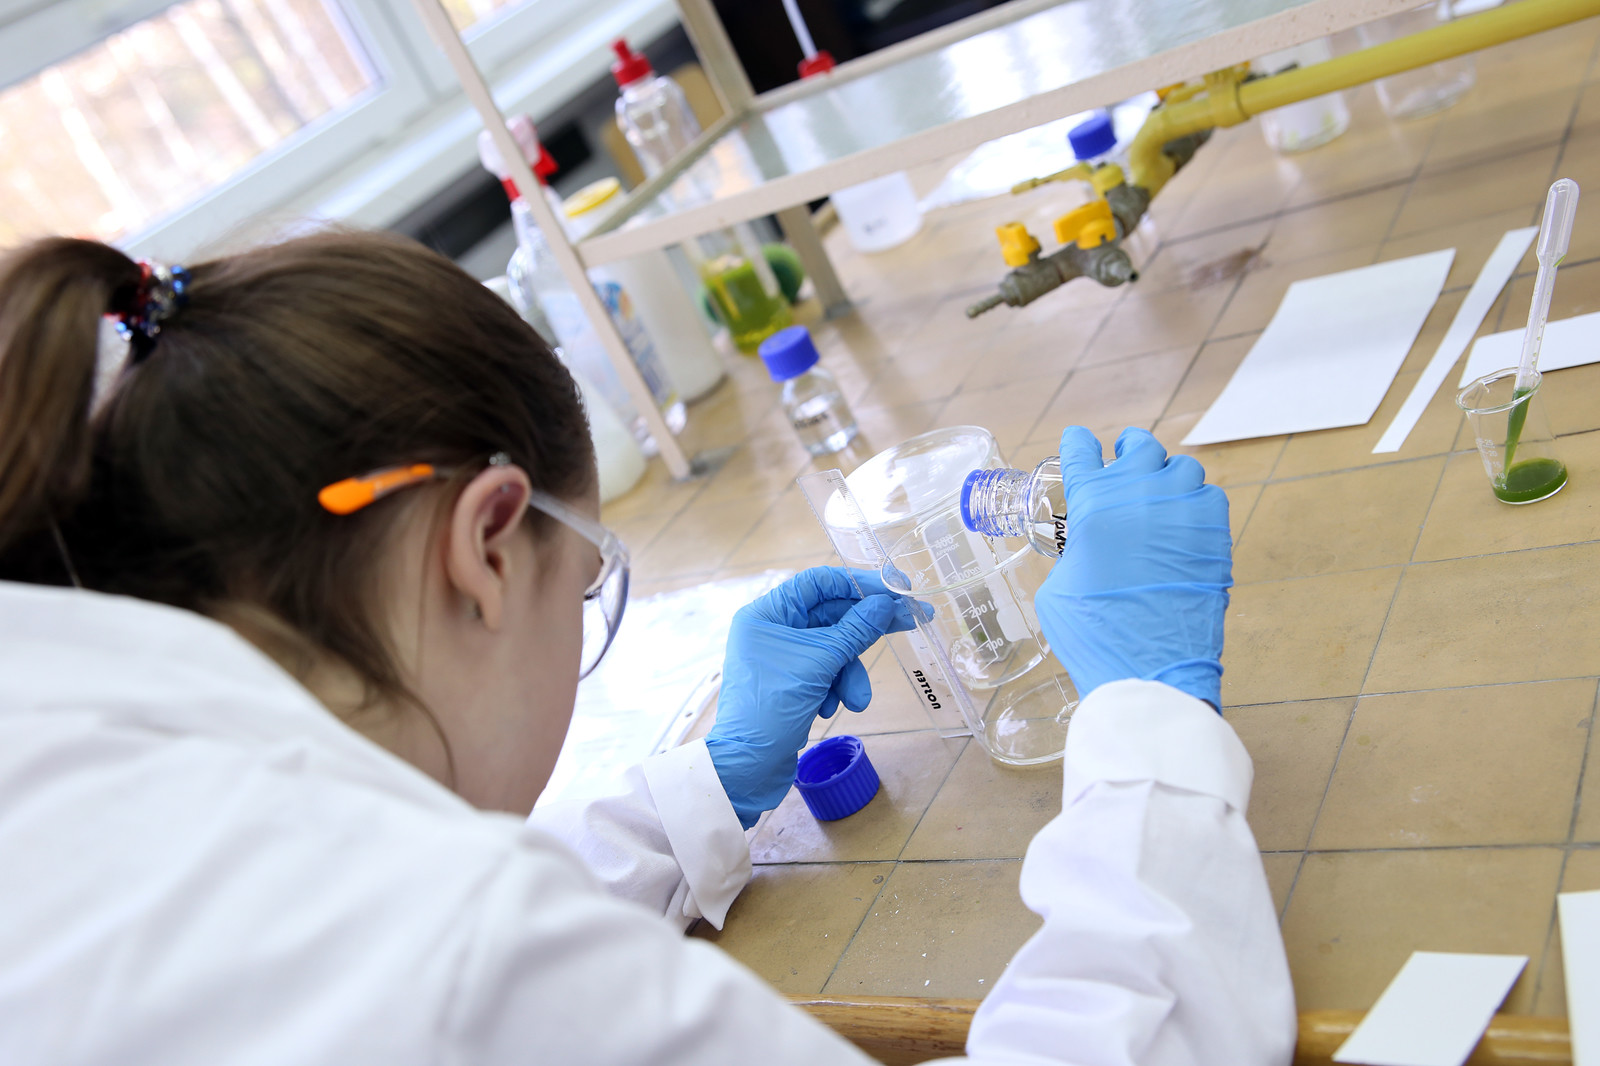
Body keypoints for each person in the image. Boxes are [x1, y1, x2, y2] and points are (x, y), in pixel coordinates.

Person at [0, 232, 1294, 1064]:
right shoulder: (422, 948)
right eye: (586, 593)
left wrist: (701, 793)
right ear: (486, 542)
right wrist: (1149, 717)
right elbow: (467, 964)